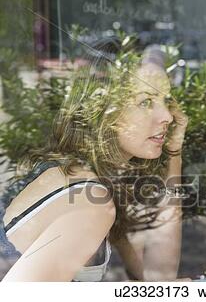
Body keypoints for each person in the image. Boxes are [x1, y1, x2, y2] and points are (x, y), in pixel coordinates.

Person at [0, 39, 188, 281]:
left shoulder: (84, 175)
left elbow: (156, 277)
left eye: (166, 100)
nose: (167, 117)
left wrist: (174, 153)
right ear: (103, 110)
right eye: (146, 102)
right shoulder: (90, 202)